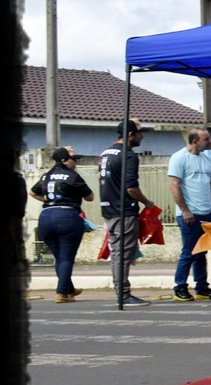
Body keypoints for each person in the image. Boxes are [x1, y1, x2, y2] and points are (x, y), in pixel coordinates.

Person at [98, 118, 159, 307]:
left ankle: (120, 291)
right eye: (140, 134)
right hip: (123, 210)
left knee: (117, 253)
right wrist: (147, 202)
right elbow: (131, 188)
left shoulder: (106, 152)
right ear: (131, 135)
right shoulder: (129, 155)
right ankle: (123, 294)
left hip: (109, 209)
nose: (142, 137)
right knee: (123, 254)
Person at [30, 147, 93, 303]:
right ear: (64, 161)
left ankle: (68, 288)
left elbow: (32, 192)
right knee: (66, 258)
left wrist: (49, 200)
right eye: (73, 160)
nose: (75, 162)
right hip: (67, 217)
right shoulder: (72, 176)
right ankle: (61, 293)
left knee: (60, 258)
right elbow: (90, 197)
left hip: (45, 217)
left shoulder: (46, 176)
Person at [167, 127, 211, 302]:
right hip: (189, 214)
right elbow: (174, 185)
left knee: (201, 251)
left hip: (205, 212)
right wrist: (185, 210)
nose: (210, 141)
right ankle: (180, 287)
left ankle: (201, 286)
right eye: (206, 139)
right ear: (195, 141)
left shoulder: (206, 159)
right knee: (189, 251)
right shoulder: (179, 157)